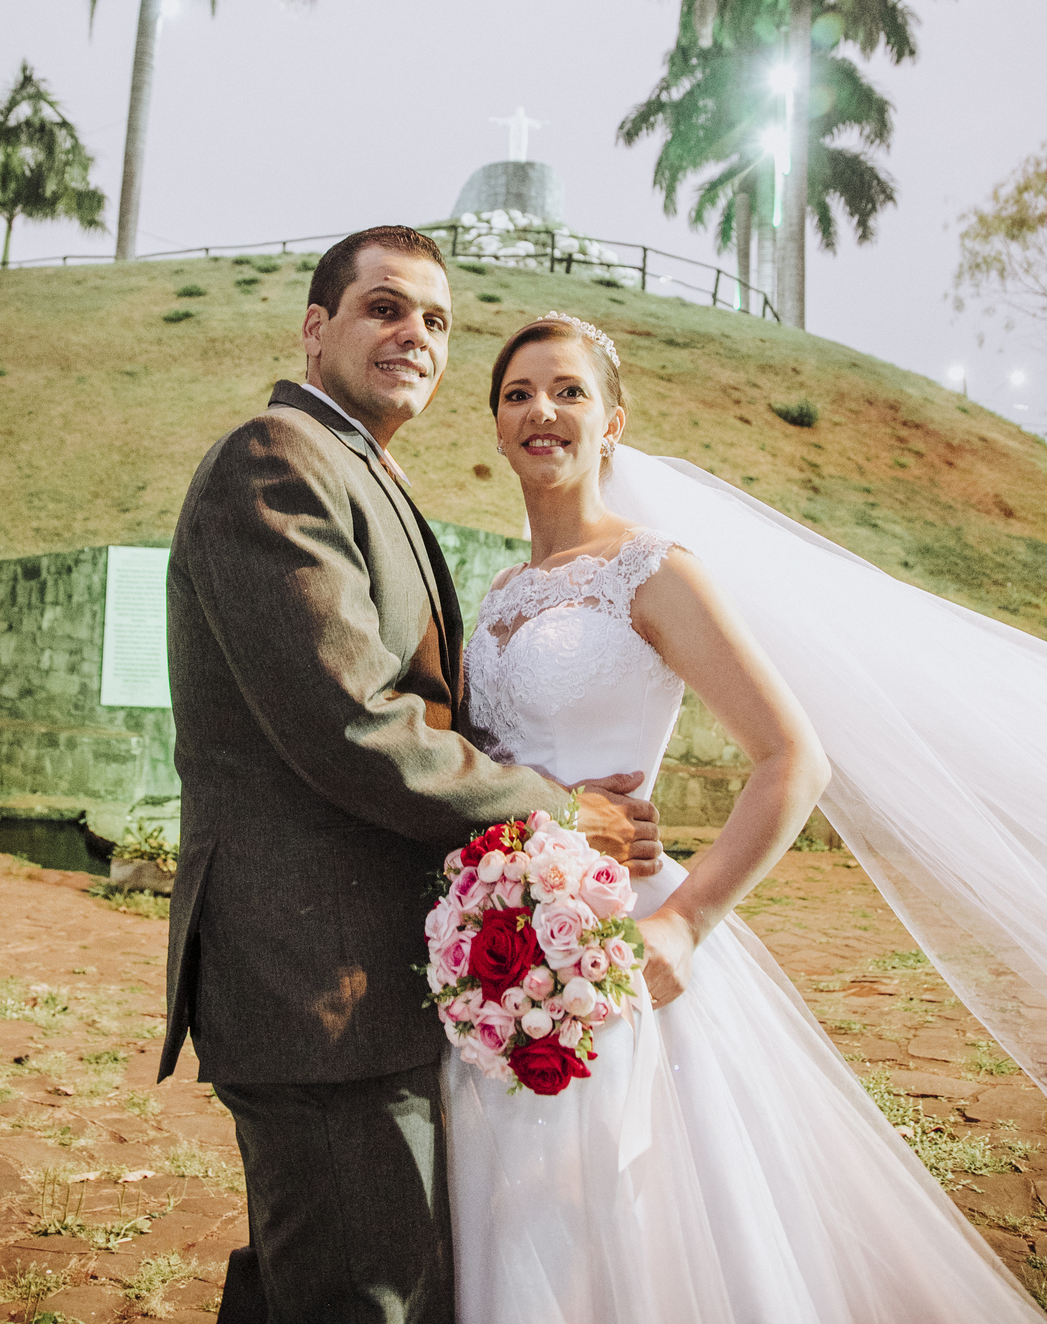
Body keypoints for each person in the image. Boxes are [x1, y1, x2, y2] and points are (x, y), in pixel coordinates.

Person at [445, 310, 1043, 1322]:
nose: (542, 409)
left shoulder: (653, 570)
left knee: (622, 1221)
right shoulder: (498, 594)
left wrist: (686, 922)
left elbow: (794, 759)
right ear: (498, 427)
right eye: (518, 394)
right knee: (516, 1223)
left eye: (568, 390)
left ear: (612, 422)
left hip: (621, 945)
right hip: (500, 955)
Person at [159, 228, 661, 1324]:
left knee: (321, 1282)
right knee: (366, 1294)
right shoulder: (276, 459)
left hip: (370, 978)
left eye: (436, 320)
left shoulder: (359, 469)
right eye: (384, 308)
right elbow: (353, 724)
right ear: (316, 327)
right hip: (315, 978)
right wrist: (558, 812)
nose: (416, 336)